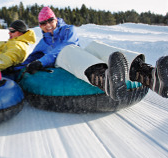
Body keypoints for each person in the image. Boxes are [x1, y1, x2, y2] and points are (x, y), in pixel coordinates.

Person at [20, 6, 168, 100]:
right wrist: (29, 65)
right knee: (67, 51)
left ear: (56, 20)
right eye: (43, 23)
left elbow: (68, 44)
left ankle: (150, 75)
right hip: (63, 61)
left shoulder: (68, 30)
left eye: (50, 20)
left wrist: (42, 60)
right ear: (39, 25)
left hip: (74, 55)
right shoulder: (43, 42)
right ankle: (105, 80)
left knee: (94, 46)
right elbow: (31, 60)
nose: (47, 25)